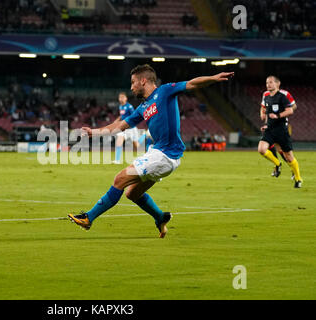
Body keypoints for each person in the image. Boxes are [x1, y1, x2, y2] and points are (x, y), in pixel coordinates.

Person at [68, 64, 234, 238]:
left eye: (133, 82)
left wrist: (214, 78)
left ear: (143, 81)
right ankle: (160, 217)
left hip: (164, 155)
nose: (131, 87)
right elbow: (120, 126)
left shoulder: (164, 91)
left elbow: (192, 83)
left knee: (120, 179)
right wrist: (94, 132)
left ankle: (89, 218)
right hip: (158, 154)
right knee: (132, 193)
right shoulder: (142, 107)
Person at [257, 76, 302, 188]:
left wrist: (280, 115)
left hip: (281, 127)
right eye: (267, 82)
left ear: (278, 84)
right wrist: (265, 118)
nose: (268, 84)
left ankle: (295, 174)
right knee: (264, 149)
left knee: (286, 153)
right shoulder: (266, 95)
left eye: (271, 82)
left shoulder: (284, 95)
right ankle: (278, 165)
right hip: (270, 128)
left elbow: (293, 107)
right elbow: (264, 108)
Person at [113, 92, 140, 164]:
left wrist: (129, 123)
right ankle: (117, 160)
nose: (121, 99)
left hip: (131, 129)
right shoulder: (120, 107)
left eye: (122, 97)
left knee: (136, 145)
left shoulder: (129, 107)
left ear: (126, 98)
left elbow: (134, 116)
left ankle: (141, 159)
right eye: (120, 97)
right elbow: (122, 116)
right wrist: (116, 121)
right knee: (119, 142)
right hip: (123, 128)